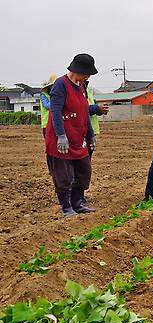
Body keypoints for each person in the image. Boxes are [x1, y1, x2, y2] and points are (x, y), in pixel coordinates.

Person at [44, 54, 98, 217]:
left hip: (78, 138)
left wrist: (90, 134)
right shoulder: (60, 85)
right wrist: (61, 135)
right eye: (87, 73)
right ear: (78, 70)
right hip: (61, 139)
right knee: (63, 175)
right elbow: (56, 111)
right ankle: (67, 207)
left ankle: (78, 203)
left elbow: (84, 112)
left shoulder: (81, 85)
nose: (88, 76)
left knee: (84, 171)